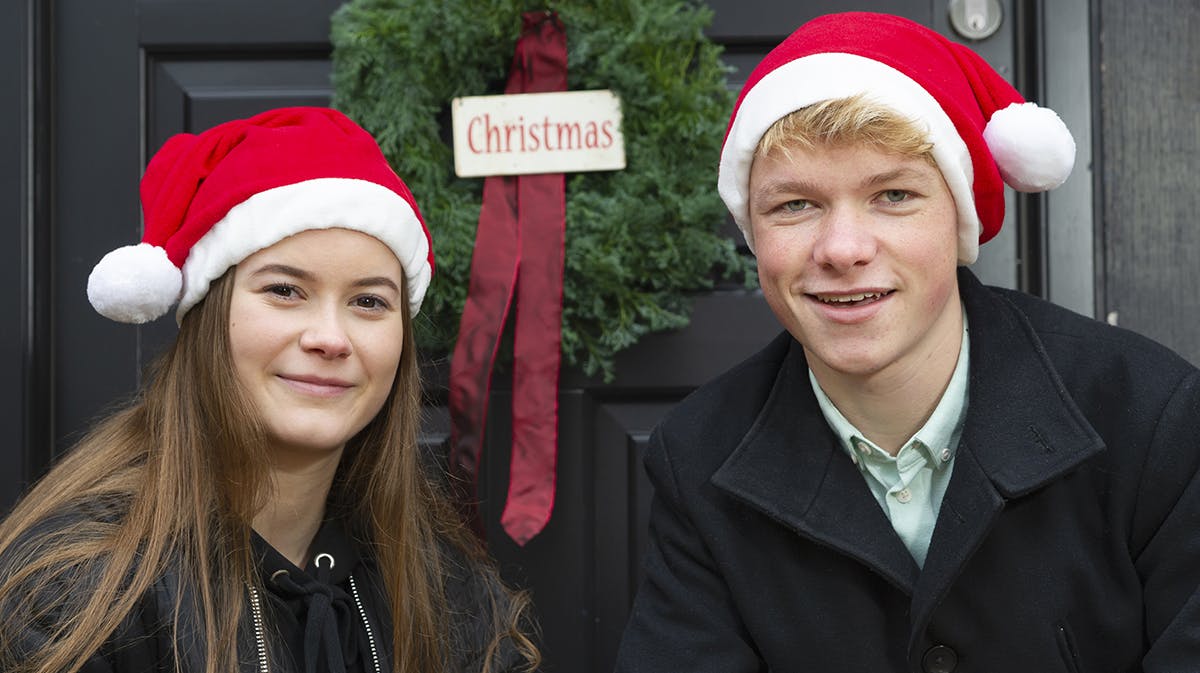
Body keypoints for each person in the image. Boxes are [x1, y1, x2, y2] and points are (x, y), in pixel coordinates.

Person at [615, 12, 1200, 673]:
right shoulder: (698, 456)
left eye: (893, 194)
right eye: (794, 206)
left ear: (959, 222)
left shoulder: (1152, 416)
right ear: (752, 235)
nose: (842, 249)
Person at [0, 107, 539, 673]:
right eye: (285, 290)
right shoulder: (74, 594)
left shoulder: (445, 583)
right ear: (210, 317)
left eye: (369, 302)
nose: (331, 338)